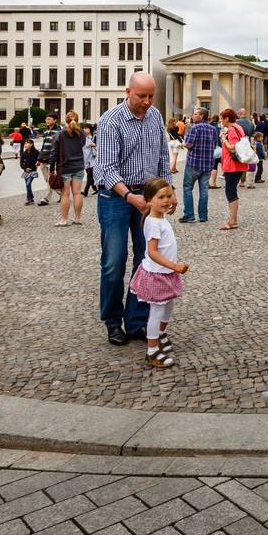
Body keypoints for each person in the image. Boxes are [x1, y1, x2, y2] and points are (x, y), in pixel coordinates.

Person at [94, 73, 171, 344]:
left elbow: (163, 156)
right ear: (128, 92)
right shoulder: (110, 121)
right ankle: (113, 321)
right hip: (115, 197)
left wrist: (166, 194)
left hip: (147, 197)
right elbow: (104, 167)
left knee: (146, 261)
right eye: (142, 96)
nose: (147, 102)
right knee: (114, 262)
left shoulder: (155, 117)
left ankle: (137, 321)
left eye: (151, 96)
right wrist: (129, 196)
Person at [130, 178, 188, 368]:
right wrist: (174, 266)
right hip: (158, 274)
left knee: (168, 306)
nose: (166, 200)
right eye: (161, 197)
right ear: (148, 200)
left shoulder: (159, 218)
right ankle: (152, 351)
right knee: (156, 311)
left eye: (169, 196)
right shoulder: (153, 222)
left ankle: (161, 334)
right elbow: (153, 252)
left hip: (167, 272)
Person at [179, 107, 219, 224]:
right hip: (207, 164)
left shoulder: (194, 128)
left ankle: (189, 215)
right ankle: (203, 216)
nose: (193, 115)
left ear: (201, 116)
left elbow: (189, 145)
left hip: (194, 163)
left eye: (195, 114)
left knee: (187, 188)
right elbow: (215, 145)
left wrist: (183, 143)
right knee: (204, 190)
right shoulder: (213, 129)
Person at [50, 110, 89, 227]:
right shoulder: (81, 133)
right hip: (78, 166)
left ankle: (64, 219)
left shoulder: (59, 134)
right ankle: (77, 218)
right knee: (77, 193)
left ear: (66, 120)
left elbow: (53, 152)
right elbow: (82, 145)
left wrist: (52, 169)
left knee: (65, 194)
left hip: (64, 167)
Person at [218, 108, 248, 230]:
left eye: (222, 119)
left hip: (232, 165)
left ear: (226, 118)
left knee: (230, 192)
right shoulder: (238, 127)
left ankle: (232, 221)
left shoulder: (231, 129)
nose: (221, 121)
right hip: (238, 165)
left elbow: (232, 148)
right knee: (232, 191)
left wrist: (224, 139)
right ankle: (232, 219)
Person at [19, 133, 41, 205]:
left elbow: (40, 158)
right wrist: (25, 168)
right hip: (26, 172)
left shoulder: (36, 152)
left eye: (27, 143)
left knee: (28, 184)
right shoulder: (24, 153)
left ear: (31, 144)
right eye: (24, 144)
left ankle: (29, 199)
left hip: (33, 171)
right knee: (27, 185)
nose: (25, 145)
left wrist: (38, 162)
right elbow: (21, 163)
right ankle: (31, 198)